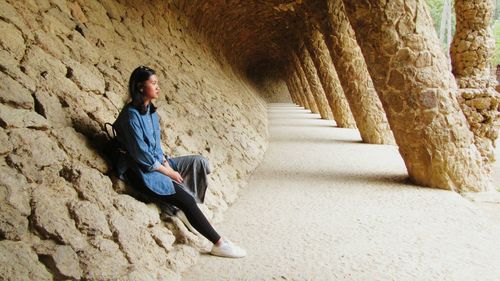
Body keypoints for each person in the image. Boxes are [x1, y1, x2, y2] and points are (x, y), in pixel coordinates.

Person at [113, 65, 246, 258]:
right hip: (142, 172)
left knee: (199, 162)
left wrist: (167, 163)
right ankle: (218, 243)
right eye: (154, 83)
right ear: (141, 87)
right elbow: (142, 157)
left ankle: (184, 207)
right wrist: (169, 172)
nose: (158, 87)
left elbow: (156, 146)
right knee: (186, 199)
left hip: (158, 163)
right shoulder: (130, 116)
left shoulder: (149, 110)